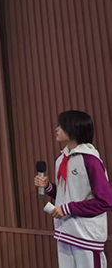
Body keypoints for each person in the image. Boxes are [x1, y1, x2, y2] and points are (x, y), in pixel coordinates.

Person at [35, 110, 112, 268]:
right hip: (65, 232)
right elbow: (68, 195)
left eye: (61, 126)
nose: (56, 129)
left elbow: (105, 201)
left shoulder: (90, 160)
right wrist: (48, 187)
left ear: (73, 129)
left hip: (86, 236)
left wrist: (67, 209)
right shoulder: (61, 159)